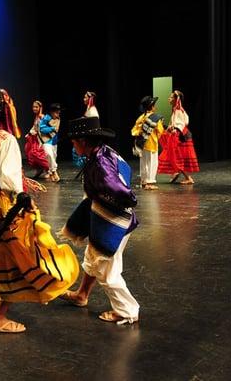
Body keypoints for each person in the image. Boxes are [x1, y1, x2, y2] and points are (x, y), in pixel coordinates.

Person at [0, 90, 79, 333]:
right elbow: (7, 178)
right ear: (6, 112)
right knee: (21, 251)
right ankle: (0, 316)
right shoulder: (5, 139)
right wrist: (21, 196)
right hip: (2, 204)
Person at [59, 116, 140, 325]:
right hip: (106, 216)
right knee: (92, 258)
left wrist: (123, 201)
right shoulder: (105, 153)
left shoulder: (101, 163)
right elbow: (125, 172)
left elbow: (118, 188)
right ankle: (82, 294)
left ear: (84, 142)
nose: (73, 144)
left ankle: (127, 311)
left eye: (75, 141)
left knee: (107, 271)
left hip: (115, 222)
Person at [157, 90, 199, 184]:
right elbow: (185, 120)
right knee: (172, 155)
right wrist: (170, 127)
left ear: (176, 99)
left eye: (171, 97)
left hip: (177, 136)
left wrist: (175, 128)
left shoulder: (179, 110)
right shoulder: (177, 109)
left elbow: (184, 123)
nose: (169, 98)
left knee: (175, 156)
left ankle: (187, 178)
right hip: (176, 134)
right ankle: (176, 172)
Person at [131, 96, 164, 190]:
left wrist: (141, 131)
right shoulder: (155, 118)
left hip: (141, 143)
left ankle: (144, 181)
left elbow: (134, 130)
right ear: (152, 107)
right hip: (151, 143)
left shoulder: (141, 117)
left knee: (143, 162)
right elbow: (160, 131)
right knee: (152, 162)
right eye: (154, 105)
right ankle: (150, 182)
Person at [73, 91, 100, 168]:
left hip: (90, 139)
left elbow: (93, 127)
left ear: (90, 99)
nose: (83, 99)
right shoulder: (89, 110)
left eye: (85, 97)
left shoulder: (92, 111)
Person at [24, 100, 49, 179]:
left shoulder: (41, 116)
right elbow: (35, 126)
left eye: (36, 107)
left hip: (40, 138)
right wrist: (29, 133)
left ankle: (48, 170)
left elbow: (41, 128)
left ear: (40, 108)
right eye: (33, 107)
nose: (34, 108)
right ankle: (39, 169)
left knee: (37, 154)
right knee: (29, 152)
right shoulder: (36, 116)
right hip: (34, 137)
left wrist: (32, 132)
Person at [39, 103, 62, 182]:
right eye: (56, 112)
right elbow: (41, 129)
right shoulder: (46, 118)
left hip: (54, 141)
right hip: (47, 140)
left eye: (58, 112)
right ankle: (54, 171)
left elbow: (57, 129)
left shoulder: (58, 119)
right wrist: (51, 128)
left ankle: (51, 173)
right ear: (52, 112)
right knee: (49, 154)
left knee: (53, 157)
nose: (57, 114)